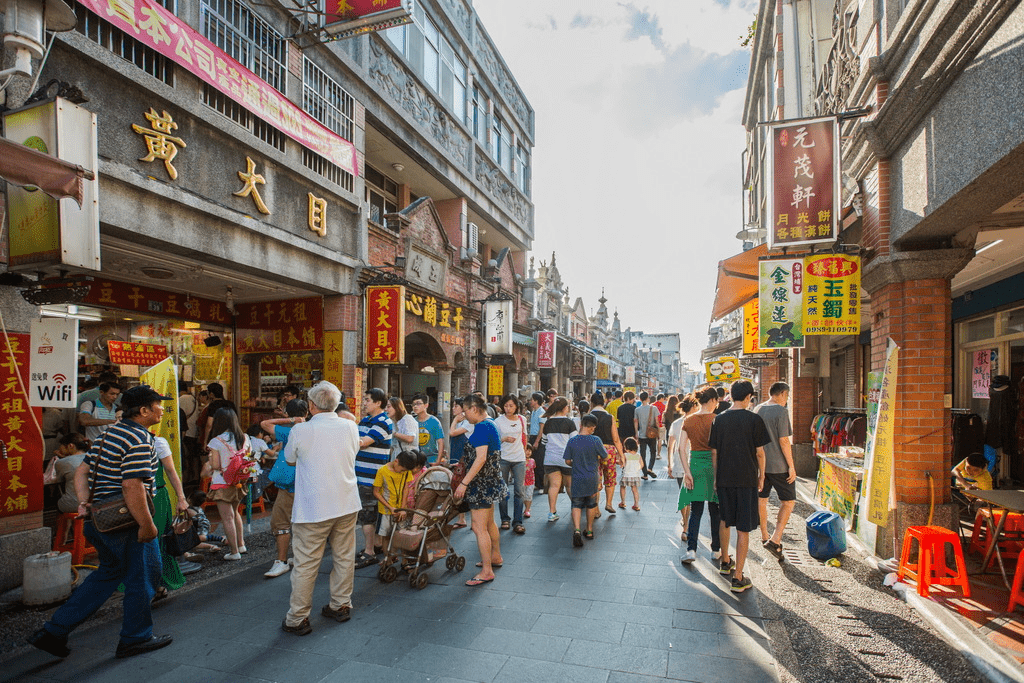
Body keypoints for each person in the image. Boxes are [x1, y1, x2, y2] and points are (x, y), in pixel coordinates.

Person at [30, 385, 174, 660]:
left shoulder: (110, 433)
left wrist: (85, 503)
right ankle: (135, 637)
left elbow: (82, 472)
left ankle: (53, 631)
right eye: (158, 404)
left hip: (100, 518)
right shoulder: (140, 439)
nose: (162, 409)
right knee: (143, 577)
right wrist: (147, 524)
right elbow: (133, 486)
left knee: (107, 573)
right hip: (126, 522)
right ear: (143, 411)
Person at [281, 381, 362, 635]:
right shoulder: (350, 426)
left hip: (313, 507)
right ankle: (340, 604)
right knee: (344, 557)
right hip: (346, 502)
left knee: (306, 563)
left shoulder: (301, 430)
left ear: (311, 405)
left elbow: (289, 459)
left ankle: (298, 618)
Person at [710, 380, 769, 593]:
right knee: (744, 528)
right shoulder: (754, 419)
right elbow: (760, 452)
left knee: (725, 520)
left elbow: (714, 452)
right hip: (746, 479)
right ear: (748, 397)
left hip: (725, 478)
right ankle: (738, 577)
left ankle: (725, 561)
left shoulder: (720, 420)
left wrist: (716, 478)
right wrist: (762, 475)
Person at [455, 394, 508, 587]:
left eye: (465, 411)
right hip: (491, 481)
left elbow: (480, 458)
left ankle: (486, 571)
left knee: (478, 527)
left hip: (481, 484)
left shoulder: (483, 427)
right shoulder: (491, 423)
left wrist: (464, 483)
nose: (464, 415)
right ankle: (495, 557)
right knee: (489, 523)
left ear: (474, 409)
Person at [260, 399, 308, 578]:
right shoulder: (312, 429)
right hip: (307, 483)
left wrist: (288, 420)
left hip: (289, 484)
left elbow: (265, 424)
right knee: (301, 523)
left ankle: (281, 561)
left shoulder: (289, 431)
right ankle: (299, 557)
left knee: (281, 522)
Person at [678, 388, 721, 564]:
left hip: (694, 465)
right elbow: (718, 449)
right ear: (712, 400)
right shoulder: (717, 419)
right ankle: (716, 550)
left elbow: (681, 448)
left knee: (696, 511)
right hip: (713, 466)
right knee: (715, 510)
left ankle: (691, 550)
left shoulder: (688, 420)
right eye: (717, 401)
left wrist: (687, 472)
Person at [755, 382, 797, 558]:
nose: (786, 399)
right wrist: (792, 466)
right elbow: (784, 441)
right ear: (782, 393)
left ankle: (764, 535)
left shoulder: (757, 409)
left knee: (762, 500)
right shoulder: (781, 411)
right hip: (779, 466)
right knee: (788, 502)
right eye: (786, 396)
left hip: (760, 466)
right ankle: (776, 538)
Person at [151, 435, 196, 596]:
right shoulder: (115, 441)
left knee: (158, 540)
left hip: (157, 498)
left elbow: (171, 470)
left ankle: (158, 583)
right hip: (129, 497)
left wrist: (181, 498)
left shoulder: (158, 442)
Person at [355, 388, 392, 568]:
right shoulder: (365, 420)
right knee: (369, 514)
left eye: (368, 400)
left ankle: (369, 551)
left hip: (372, 478)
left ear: (378, 403)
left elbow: (362, 443)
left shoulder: (383, 422)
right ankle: (375, 546)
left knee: (368, 515)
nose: (365, 402)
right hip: (362, 476)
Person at [206, 408, 250, 560]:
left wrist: (210, 460)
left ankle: (234, 552)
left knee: (227, 517)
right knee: (235, 512)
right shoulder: (244, 437)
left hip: (222, 482)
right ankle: (241, 544)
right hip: (239, 481)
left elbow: (216, 465)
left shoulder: (215, 441)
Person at [564, 414, 606, 547]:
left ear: (581, 424)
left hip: (577, 477)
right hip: (592, 477)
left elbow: (567, 461)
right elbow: (604, 456)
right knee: (591, 504)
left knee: (576, 504)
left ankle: (576, 530)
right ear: (593, 427)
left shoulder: (572, 441)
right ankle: (589, 530)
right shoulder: (596, 440)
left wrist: (576, 464)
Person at [494, 394, 528, 534]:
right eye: (506, 406)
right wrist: (504, 439)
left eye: (511, 406)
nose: (508, 409)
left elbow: (524, 437)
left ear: (516, 407)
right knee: (503, 490)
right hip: (503, 458)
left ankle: (518, 521)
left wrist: (524, 453)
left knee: (519, 491)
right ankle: (504, 519)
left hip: (519, 458)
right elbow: (495, 441)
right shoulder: (498, 421)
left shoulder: (522, 419)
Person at [542, 397, 577, 522]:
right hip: (566, 458)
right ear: (564, 408)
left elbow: (544, 441)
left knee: (554, 486)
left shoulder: (548, 422)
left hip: (550, 458)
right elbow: (574, 441)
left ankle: (552, 512)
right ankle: (575, 508)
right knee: (569, 485)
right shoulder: (569, 423)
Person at [589, 391, 623, 514]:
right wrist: (622, 455)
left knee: (595, 479)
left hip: (592, 449)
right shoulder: (609, 417)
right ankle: (608, 503)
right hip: (608, 450)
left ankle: (596, 509)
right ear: (603, 403)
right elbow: (616, 439)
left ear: (591, 403)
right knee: (610, 477)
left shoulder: (588, 417)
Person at [373, 450, 416, 545]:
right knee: (386, 537)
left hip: (401, 510)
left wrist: (403, 508)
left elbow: (406, 489)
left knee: (401, 534)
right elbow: (376, 492)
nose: (402, 472)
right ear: (396, 461)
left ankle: (397, 556)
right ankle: (388, 558)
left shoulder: (406, 472)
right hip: (385, 511)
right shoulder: (382, 471)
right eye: (402, 470)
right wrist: (390, 508)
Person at [55, 434, 92, 514]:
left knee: (58, 498)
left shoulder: (62, 462)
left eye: (60, 446)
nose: (59, 448)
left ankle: (66, 526)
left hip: (74, 504)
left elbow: (58, 479)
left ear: (70, 445)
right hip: (97, 501)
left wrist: (63, 458)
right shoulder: (94, 456)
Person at [411, 393, 446, 464]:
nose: (415, 406)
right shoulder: (412, 421)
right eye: (413, 404)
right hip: (417, 460)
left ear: (426, 405)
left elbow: (440, 442)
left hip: (432, 459)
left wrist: (438, 461)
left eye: (418, 404)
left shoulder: (434, 421)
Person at [634, 392, 660, 479]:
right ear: (648, 398)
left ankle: (645, 474)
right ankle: (650, 468)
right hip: (652, 434)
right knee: (653, 452)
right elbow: (657, 421)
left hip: (642, 435)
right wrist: (658, 432)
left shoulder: (637, 410)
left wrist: (636, 433)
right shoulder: (654, 408)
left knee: (643, 454)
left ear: (640, 399)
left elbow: (636, 422)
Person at [527, 392, 546, 495]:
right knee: (533, 461)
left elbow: (541, 429)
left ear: (536, 401)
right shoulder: (533, 412)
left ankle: (542, 485)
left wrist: (537, 441)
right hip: (532, 437)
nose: (531, 401)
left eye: (532, 400)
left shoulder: (541, 412)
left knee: (539, 462)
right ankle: (537, 483)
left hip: (538, 438)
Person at [619, 437, 643, 510]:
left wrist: (618, 462)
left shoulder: (625, 455)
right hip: (635, 475)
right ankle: (636, 504)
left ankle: (623, 502)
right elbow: (642, 465)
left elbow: (621, 464)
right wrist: (636, 469)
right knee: (635, 489)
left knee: (623, 487)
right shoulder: (638, 455)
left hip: (626, 475)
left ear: (626, 447)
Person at [616, 391, 637, 460]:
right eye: (632, 398)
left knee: (623, 449)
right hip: (631, 431)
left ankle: (624, 462)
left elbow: (619, 420)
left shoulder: (620, 408)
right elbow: (635, 421)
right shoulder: (634, 408)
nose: (633, 400)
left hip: (622, 432)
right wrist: (636, 432)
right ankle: (630, 463)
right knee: (632, 449)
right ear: (628, 398)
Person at [653, 393, 668, 459]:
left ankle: (653, 453)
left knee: (653, 440)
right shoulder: (664, 406)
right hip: (661, 425)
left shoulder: (652, 405)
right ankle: (658, 454)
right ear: (661, 398)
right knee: (660, 440)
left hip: (653, 425)